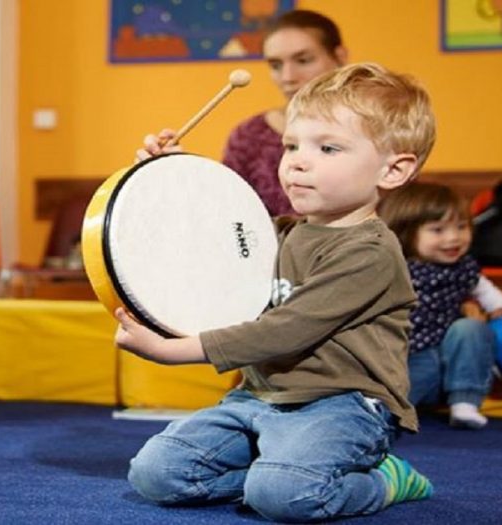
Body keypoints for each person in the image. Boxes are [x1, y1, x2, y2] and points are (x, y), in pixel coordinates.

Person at [121, 63, 436, 522]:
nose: (297, 161)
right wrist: (167, 175)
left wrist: (176, 351)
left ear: (393, 169)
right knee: (155, 475)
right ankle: (276, 467)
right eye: (292, 145)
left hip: (343, 404)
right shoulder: (280, 232)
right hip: (258, 396)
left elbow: (284, 331)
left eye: (327, 148)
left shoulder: (370, 252)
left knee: (284, 497)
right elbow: (210, 234)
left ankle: (386, 478)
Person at [139, 10, 347, 217]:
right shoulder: (248, 136)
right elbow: (225, 213)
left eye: (303, 60)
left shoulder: (368, 126)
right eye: (275, 65)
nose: (287, 76)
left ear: (340, 57)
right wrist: (175, 170)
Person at [378, 182, 502, 430]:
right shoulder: (393, 268)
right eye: (438, 230)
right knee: (403, 378)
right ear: (405, 232)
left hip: (452, 364)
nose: (453, 237)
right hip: (405, 359)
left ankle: (465, 402)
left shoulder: (465, 269)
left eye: (461, 227)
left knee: (470, 329)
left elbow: (497, 301)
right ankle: (384, 410)